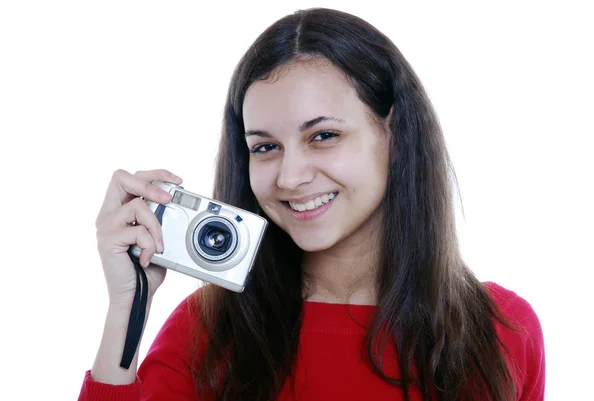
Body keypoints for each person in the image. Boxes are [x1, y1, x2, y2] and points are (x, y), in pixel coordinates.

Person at [78, 7, 545, 401]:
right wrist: (126, 306)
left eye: (323, 136)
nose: (290, 176)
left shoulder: (504, 332)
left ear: (396, 136)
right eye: (264, 147)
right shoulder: (205, 332)